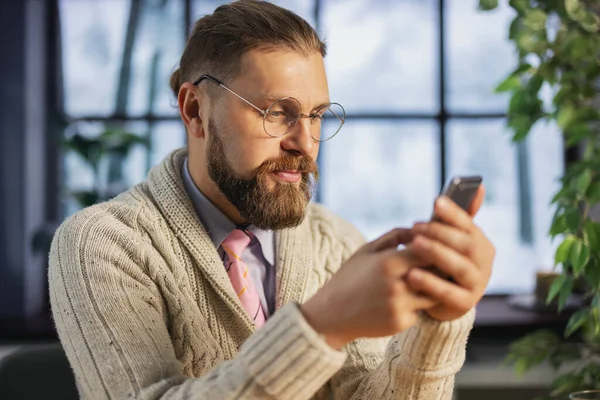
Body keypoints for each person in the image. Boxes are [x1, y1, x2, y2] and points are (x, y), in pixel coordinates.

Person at [48, 1, 495, 399]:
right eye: (277, 113)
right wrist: (320, 327)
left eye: (317, 115)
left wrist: (441, 320)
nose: (305, 141)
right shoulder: (101, 243)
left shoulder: (336, 240)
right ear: (195, 111)